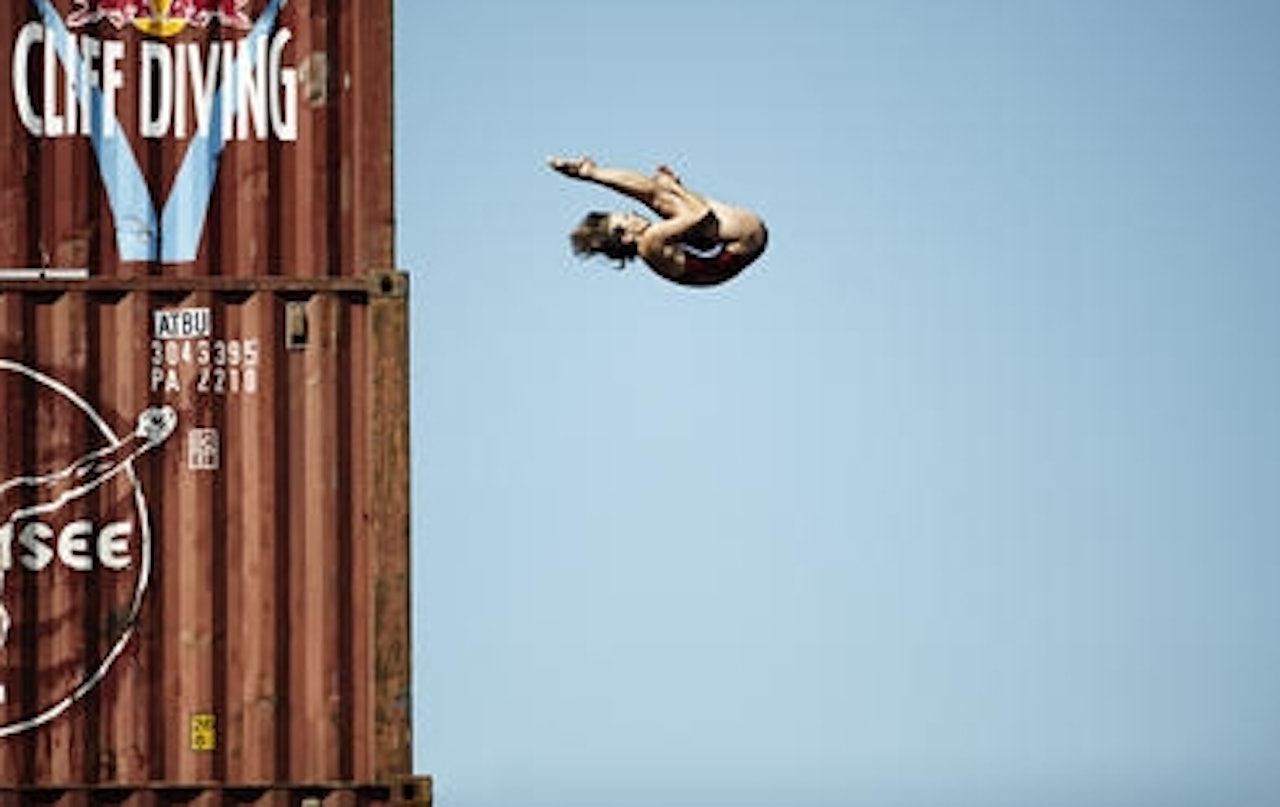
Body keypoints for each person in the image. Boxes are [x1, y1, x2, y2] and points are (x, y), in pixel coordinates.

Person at [549, 156, 768, 287]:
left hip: (717, 252)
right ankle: (592, 173)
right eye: (627, 218)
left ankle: (592, 173)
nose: (633, 215)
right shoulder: (650, 241)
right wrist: (674, 186)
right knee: (664, 196)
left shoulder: (650, 243)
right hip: (744, 242)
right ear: (626, 237)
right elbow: (700, 213)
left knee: (660, 196)